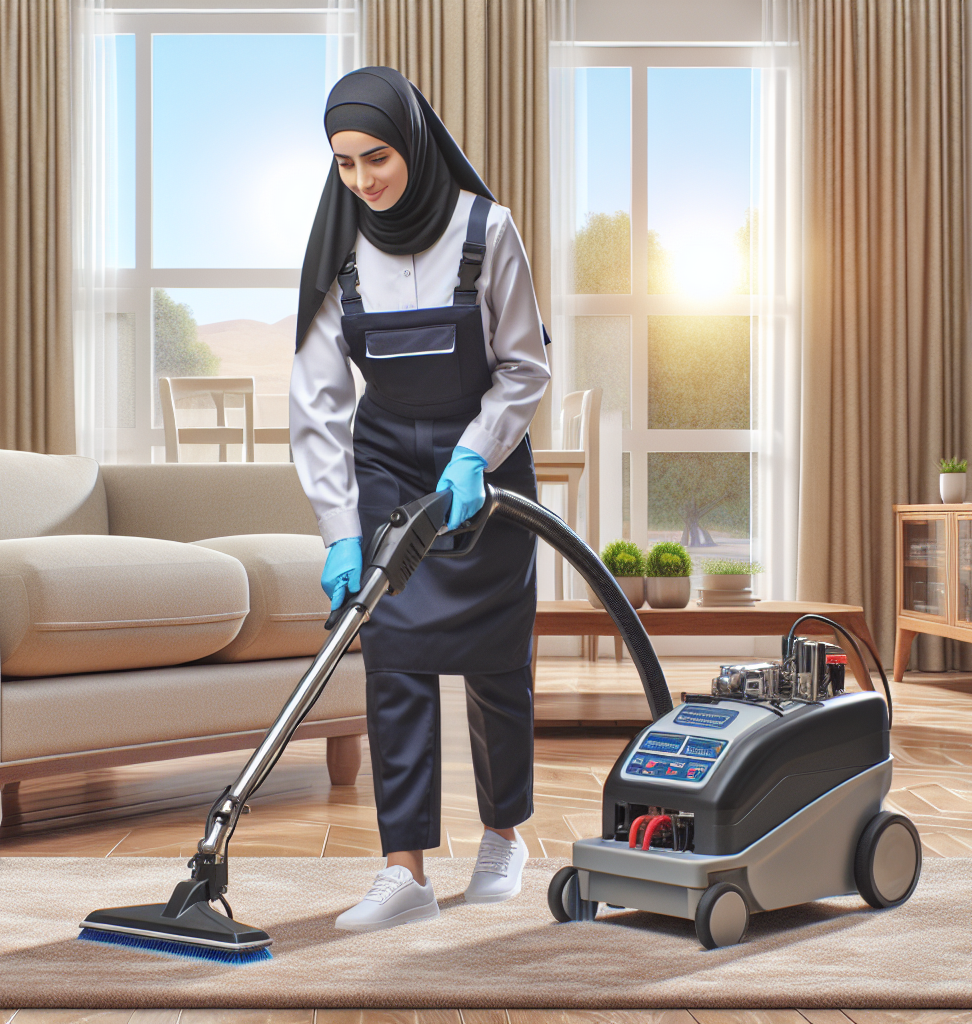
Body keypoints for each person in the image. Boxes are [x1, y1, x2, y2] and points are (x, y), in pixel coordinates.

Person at [289, 66, 550, 933]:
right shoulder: (341, 251)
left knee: (497, 660)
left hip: (484, 461)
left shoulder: (487, 228)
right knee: (394, 660)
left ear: (415, 142)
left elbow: (524, 366)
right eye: (345, 164)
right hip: (388, 464)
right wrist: (338, 528)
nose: (364, 180)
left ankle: (504, 834)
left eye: (378, 157)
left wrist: (476, 453)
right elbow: (319, 400)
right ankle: (403, 869)